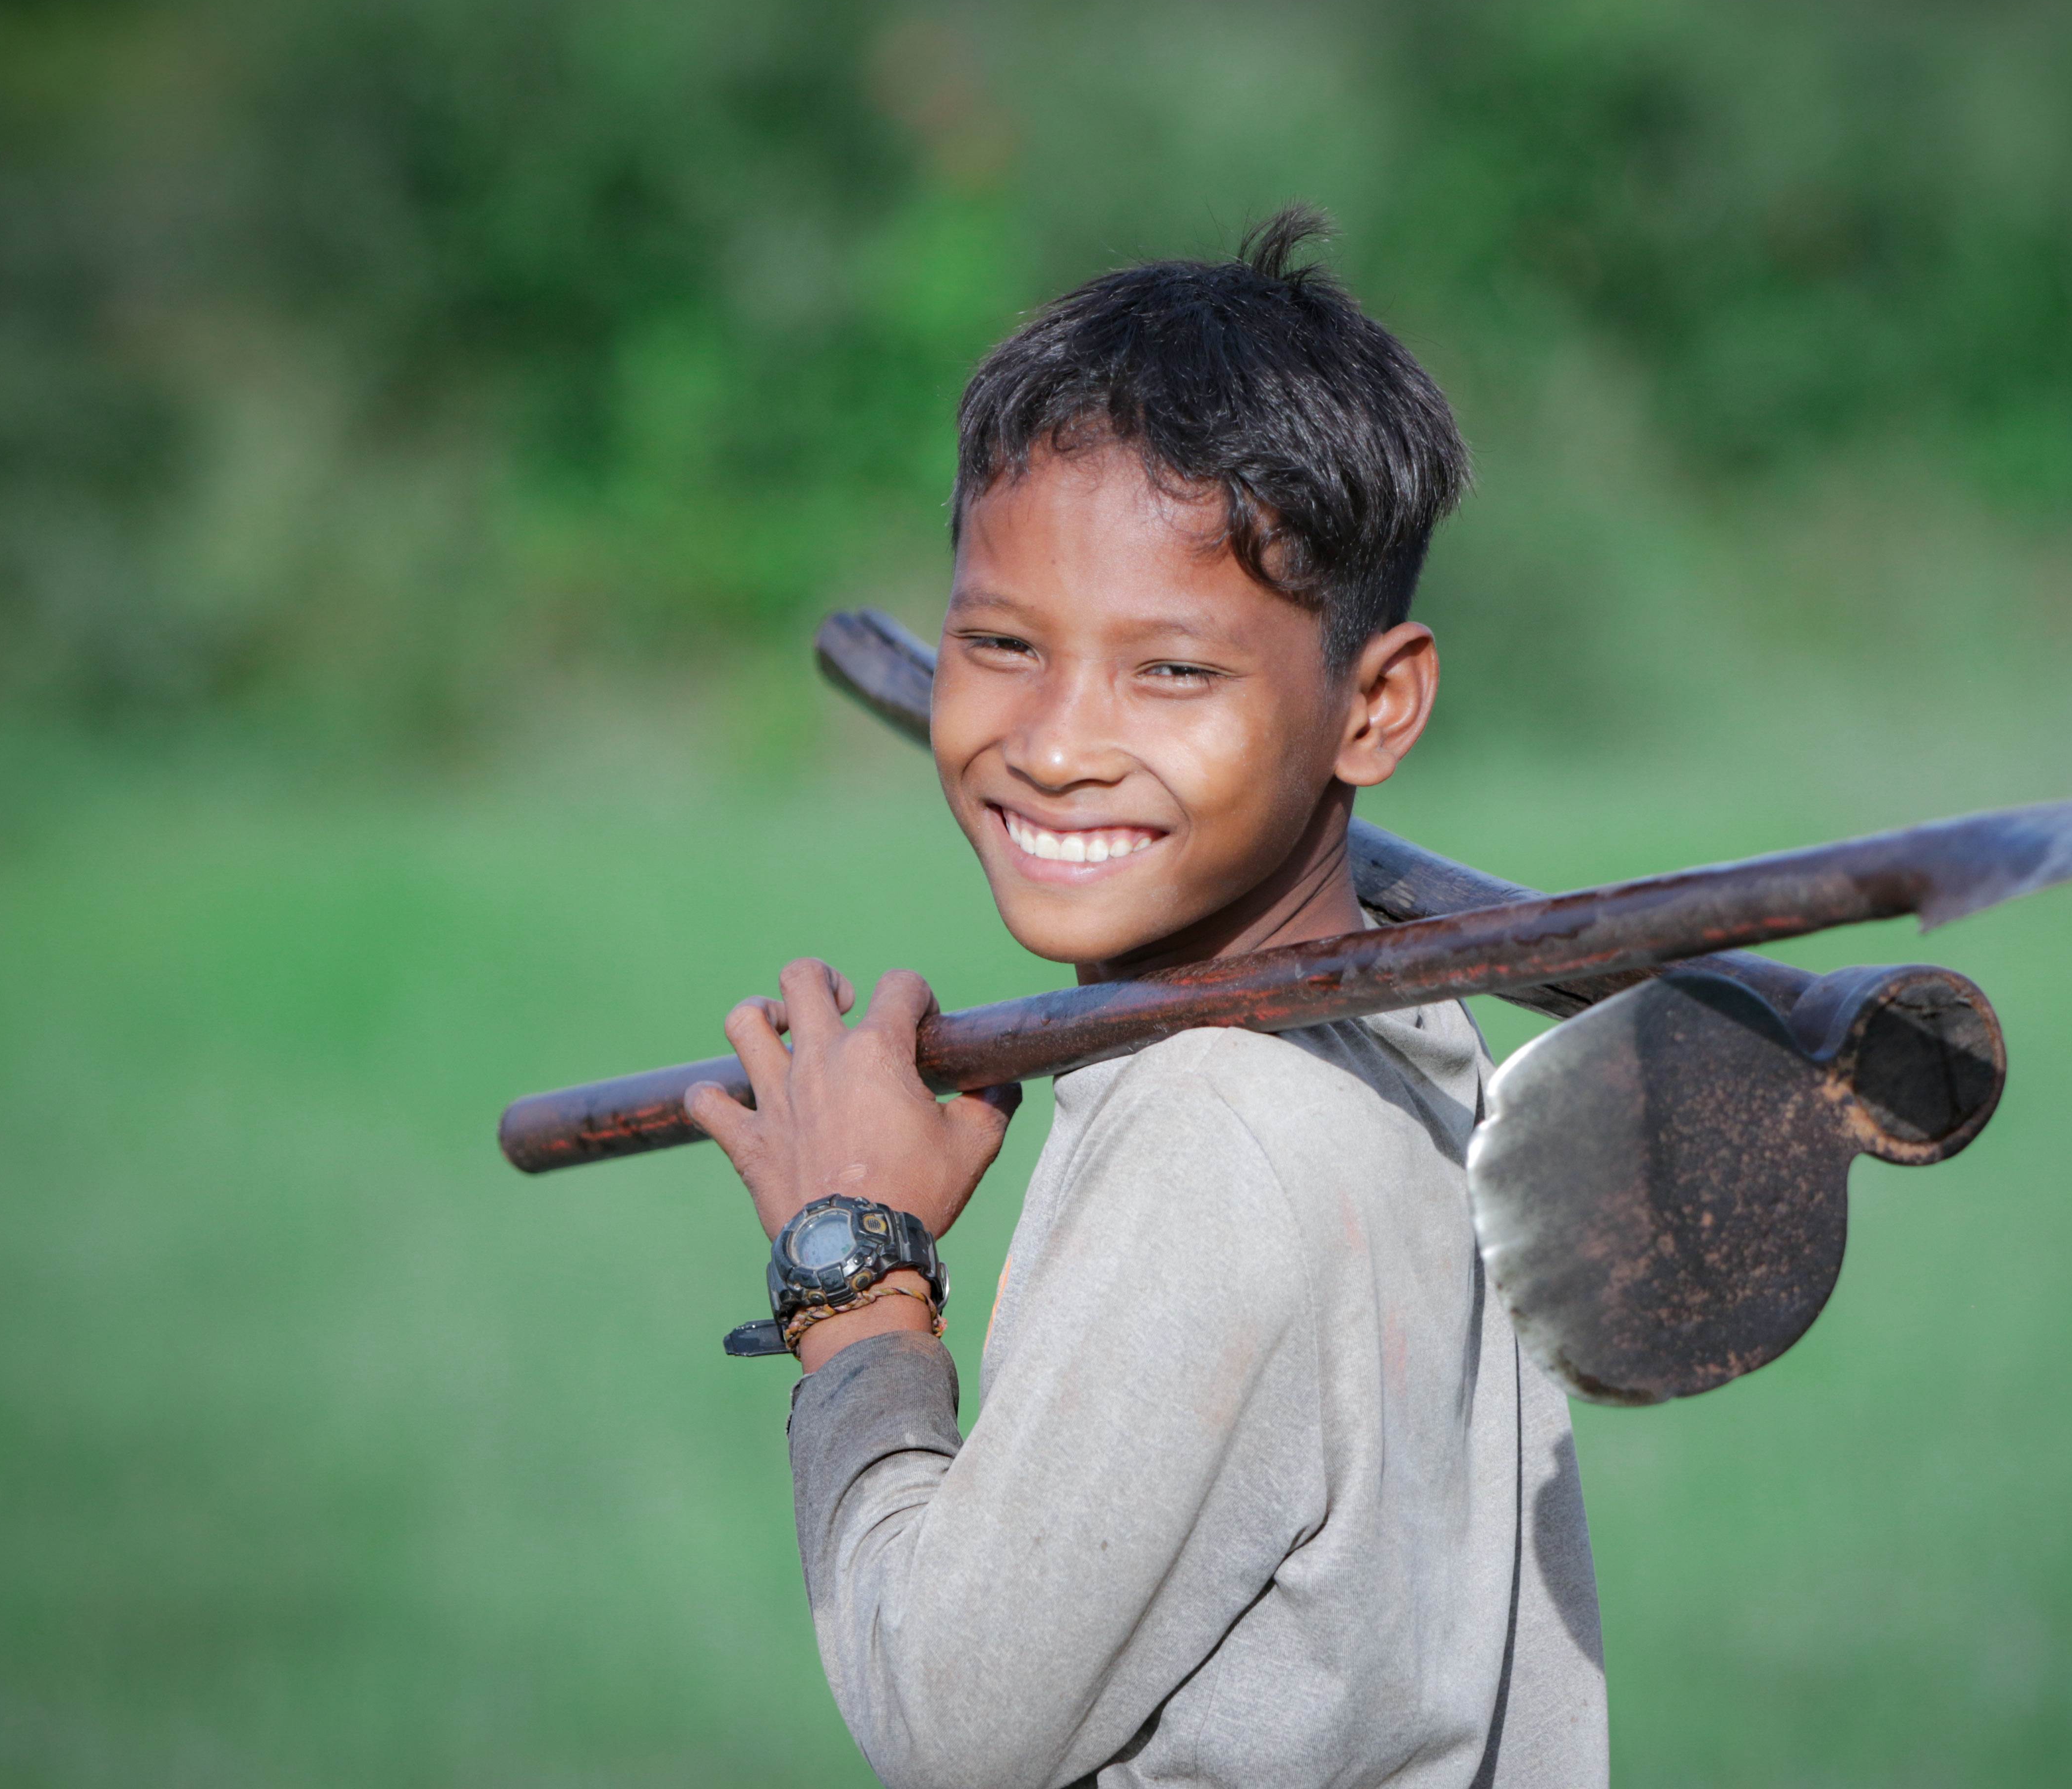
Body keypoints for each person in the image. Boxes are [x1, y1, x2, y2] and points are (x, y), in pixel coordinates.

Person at [682, 208, 1607, 1789]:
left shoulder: (1215, 1126)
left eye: (1170, 671)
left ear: (1373, 705)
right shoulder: (1405, 1037)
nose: (1055, 742)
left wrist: (855, 1273)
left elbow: (954, 1722)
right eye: (1001, 642)